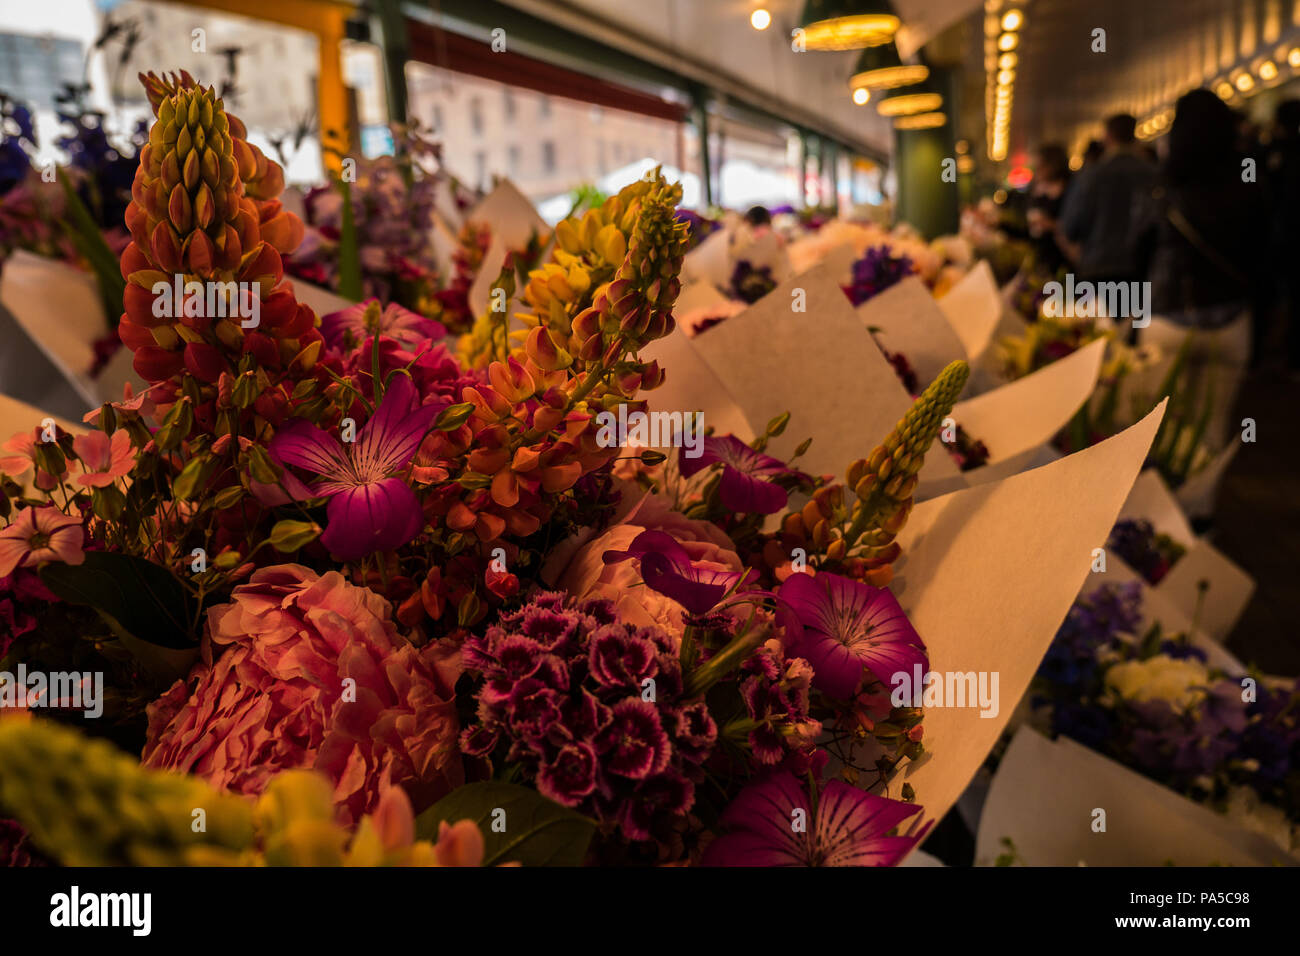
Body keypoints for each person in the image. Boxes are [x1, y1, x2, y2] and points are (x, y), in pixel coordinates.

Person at [1134, 89, 1266, 446]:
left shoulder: (1162, 185)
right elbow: (1265, 251)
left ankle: (1159, 499)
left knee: (1157, 435)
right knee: (1210, 433)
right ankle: (1200, 503)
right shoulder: (1249, 180)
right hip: (1230, 318)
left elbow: (1138, 251)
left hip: (1167, 317)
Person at [1060, 114, 1158, 288]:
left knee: (1101, 314)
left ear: (1108, 136)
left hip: (1098, 266)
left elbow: (1071, 225)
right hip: (1142, 269)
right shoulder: (1152, 174)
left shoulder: (1092, 176)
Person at [1026, 143, 1072, 272]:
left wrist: (1051, 224)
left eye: (1041, 166)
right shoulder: (1038, 193)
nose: (1037, 169)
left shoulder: (1070, 191)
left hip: (1066, 258)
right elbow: (1028, 230)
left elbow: (1077, 226)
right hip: (1043, 257)